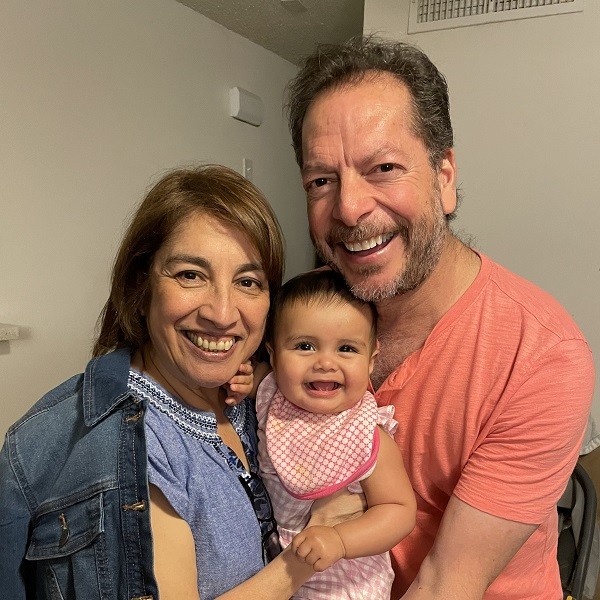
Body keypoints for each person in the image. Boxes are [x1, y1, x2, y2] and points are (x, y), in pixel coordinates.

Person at [285, 36, 596, 599]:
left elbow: (445, 584)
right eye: (321, 181)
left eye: (383, 167)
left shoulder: (541, 355)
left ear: (444, 177)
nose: (350, 208)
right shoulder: (308, 320)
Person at [0, 165, 320, 599]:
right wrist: (313, 552)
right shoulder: (123, 447)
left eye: (247, 281)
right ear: (140, 284)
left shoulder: (250, 395)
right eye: (191, 274)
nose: (223, 313)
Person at [256, 269, 416, 599]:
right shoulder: (270, 397)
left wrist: (341, 540)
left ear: (371, 362)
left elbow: (399, 511)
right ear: (273, 356)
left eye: (346, 349)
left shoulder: (368, 437)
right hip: (276, 573)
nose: (325, 362)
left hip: (346, 581)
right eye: (304, 346)